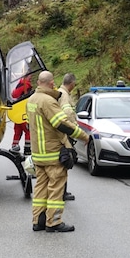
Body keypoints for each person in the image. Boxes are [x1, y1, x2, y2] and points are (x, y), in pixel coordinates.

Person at [27, 71, 90, 232]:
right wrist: (84, 136)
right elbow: (62, 124)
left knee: (40, 188)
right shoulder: (47, 101)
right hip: (52, 153)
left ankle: (38, 221)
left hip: (38, 155)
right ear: (50, 83)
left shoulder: (32, 100)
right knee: (56, 188)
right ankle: (53, 222)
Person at [57, 72, 78, 201]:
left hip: (58, 131)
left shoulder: (59, 92)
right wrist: (74, 127)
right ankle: (62, 192)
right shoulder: (64, 95)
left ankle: (61, 191)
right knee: (66, 162)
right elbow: (68, 112)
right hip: (65, 132)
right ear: (72, 84)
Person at [10, 73, 33, 155]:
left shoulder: (19, 84)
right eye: (30, 76)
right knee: (28, 131)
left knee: (17, 130)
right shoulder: (26, 85)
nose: (31, 77)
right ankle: (27, 148)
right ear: (27, 76)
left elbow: (14, 95)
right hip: (24, 113)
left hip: (17, 113)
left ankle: (14, 146)